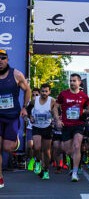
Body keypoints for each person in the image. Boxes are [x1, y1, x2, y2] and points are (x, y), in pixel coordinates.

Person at [0, 50, 31, 188]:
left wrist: (25, 107)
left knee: (7, 147)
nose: (0, 60)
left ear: (7, 59)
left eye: (3, 58)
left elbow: (28, 90)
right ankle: (0, 176)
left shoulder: (16, 74)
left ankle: (15, 142)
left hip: (12, 116)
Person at [53, 73, 89, 182]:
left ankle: (75, 172)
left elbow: (88, 108)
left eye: (74, 81)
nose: (72, 83)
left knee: (77, 145)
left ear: (79, 82)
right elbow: (55, 107)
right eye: (71, 81)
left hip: (79, 124)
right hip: (66, 125)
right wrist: (57, 120)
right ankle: (73, 162)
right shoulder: (63, 94)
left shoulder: (84, 96)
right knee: (68, 150)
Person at [27, 83, 55, 180]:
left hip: (47, 127)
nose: (44, 93)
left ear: (49, 92)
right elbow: (28, 108)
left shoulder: (52, 101)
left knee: (47, 151)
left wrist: (54, 115)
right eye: (42, 91)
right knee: (37, 147)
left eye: (46, 91)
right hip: (37, 127)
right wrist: (30, 117)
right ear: (40, 91)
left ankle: (46, 170)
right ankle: (38, 162)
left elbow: (58, 111)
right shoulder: (35, 100)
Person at [27, 88, 39, 171]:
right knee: (29, 146)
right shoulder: (29, 104)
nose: (34, 96)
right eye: (33, 95)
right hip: (30, 128)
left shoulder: (43, 103)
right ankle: (32, 160)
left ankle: (36, 161)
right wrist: (27, 118)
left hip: (39, 128)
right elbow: (26, 114)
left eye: (36, 95)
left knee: (37, 147)